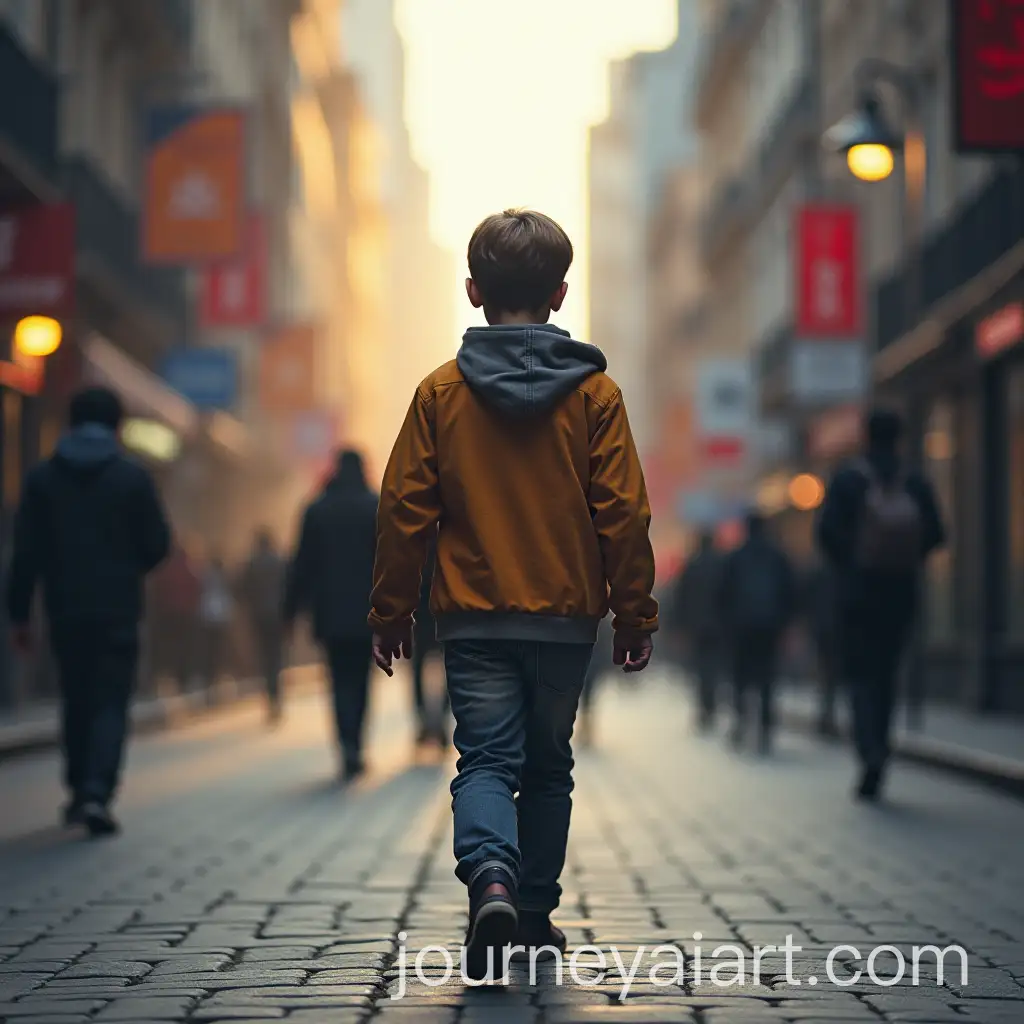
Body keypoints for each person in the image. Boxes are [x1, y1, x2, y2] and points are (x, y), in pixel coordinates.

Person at [367, 209, 658, 980]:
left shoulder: (440, 395)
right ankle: (532, 913)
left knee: (487, 760)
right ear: (560, 293)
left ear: (473, 291)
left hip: (474, 619)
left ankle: (490, 875)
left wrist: (391, 611)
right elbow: (623, 513)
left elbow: (403, 510)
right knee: (550, 765)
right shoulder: (596, 397)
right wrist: (634, 614)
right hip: (566, 619)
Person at [6, 386, 170, 836]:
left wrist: (19, 615)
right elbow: (158, 544)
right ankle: (99, 789)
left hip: (65, 609)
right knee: (111, 700)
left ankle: (79, 788)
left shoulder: (42, 479)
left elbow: (25, 554)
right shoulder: (131, 478)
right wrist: (128, 567)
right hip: (119, 609)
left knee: (76, 697)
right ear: (117, 426)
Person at [816, 407, 944, 801]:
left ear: (866, 436)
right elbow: (937, 533)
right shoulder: (914, 481)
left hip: (856, 596)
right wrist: (906, 559)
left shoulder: (849, 480)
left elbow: (825, 533)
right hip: (900, 594)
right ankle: (881, 747)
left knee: (859, 676)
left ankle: (868, 749)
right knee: (887, 674)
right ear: (899, 437)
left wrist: (853, 562)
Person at [284, 449, 379, 782]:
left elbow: (301, 565)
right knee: (362, 679)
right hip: (369, 613)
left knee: (339, 679)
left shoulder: (317, 509)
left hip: (330, 613)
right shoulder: (375, 507)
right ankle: (357, 742)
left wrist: (290, 611)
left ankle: (346, 744)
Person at [720, 512, 797, 755]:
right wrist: (786, 624)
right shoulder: (778, 557)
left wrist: (727, 625)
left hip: (741, 627)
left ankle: (740, 722)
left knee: (740, 677)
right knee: (767, 678)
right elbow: (790, 592)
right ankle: (765, 728)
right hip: (769, 627)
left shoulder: (735, 557)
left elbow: (723, 594)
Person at [670, 531, 726, 731]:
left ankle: (704, 705)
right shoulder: (722, 566)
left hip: (696, 626)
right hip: (718, 626)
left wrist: (679, 626)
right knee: (713, 666)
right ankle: (710, 702)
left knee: (701, 667)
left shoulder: (691, 566)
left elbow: (681, 597)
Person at [239, 529, 288, 724]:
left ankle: (270, 695)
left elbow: (242, 589)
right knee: (276, 656)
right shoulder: (279, 562)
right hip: (277, 615)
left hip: (259, 616)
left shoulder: (252, 564)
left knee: (265, 656)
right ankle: (276, 695)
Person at [411, 529, 450, 750]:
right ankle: (439, 719)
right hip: (446, 612)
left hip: (422, 614)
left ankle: (424, 720)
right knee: (449, 667)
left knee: (418, 667)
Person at [803, 557, 840, 737]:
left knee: (827, 674)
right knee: (831, 676)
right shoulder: (843, 573)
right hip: (837, 631)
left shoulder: (818, 573)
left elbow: (806, 600)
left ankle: (825, 715)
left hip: (822, 630)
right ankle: (827, 715)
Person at [198, 554, 234, 701]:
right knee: (219, 652)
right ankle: (217, 678)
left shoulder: (206, 577)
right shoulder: (223, 578)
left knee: (210, 652)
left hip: (209, 617)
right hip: (220, 618)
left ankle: (212, 679)